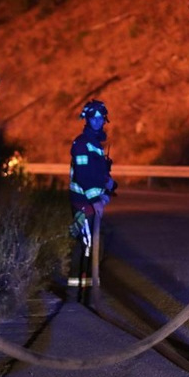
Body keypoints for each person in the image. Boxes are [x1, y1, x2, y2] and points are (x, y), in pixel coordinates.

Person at [68, 99, 115, 295]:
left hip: (91, 202)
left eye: (100, 118)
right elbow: (83, 174)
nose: (97, 121)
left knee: (92, 244)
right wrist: (95, 200)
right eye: (93, 117)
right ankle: (77, 293)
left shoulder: (95, 144)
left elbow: (96, 172)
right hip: (83, 202)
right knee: (88, 246)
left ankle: (87, 290)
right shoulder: (82, 143)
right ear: (86, 119)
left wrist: (108, 182)